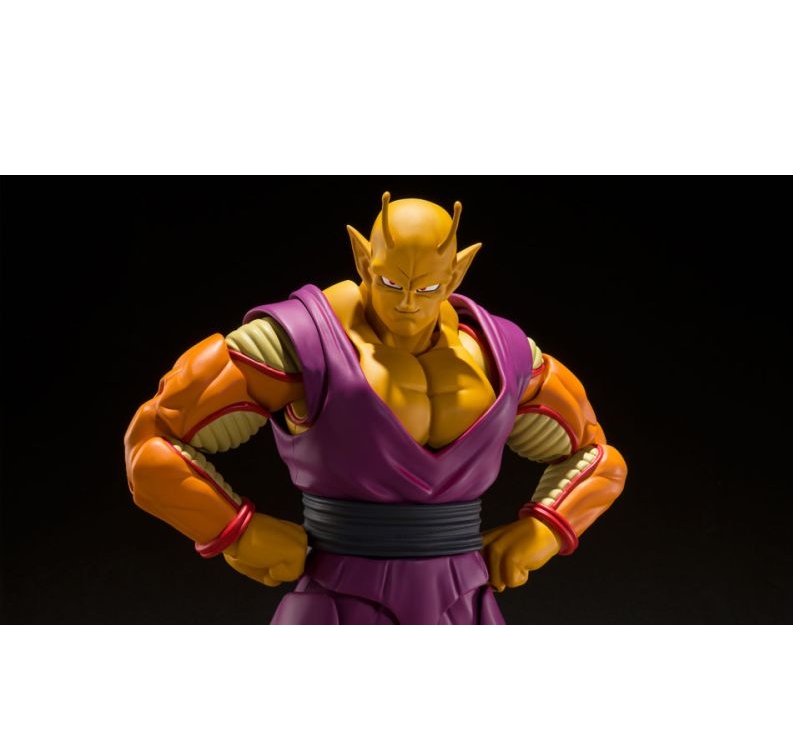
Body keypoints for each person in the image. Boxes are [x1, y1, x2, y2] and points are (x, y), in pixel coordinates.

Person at [124, 192, 627, 624]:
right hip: (337, 595)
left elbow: (598, 457)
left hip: (465, 601)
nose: (408, 302)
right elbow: (152, 441)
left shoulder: (505, 354)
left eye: (427, 288)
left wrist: (544, 529)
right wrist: (238, 531)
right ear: (364, 258)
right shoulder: (298, 342)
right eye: (391, 282)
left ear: (458, 271)